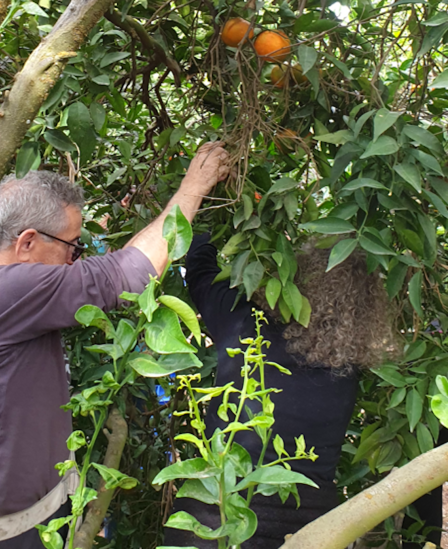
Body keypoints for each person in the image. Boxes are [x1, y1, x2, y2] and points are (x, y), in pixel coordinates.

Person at [0, 141, 230, 549]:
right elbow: (128, 274)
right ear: (26, 243)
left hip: (20, 518)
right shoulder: (5, 291)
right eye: (72, 246)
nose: (74, 260)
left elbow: (113, 269)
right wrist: (194, 186)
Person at [164, 234, 397, 549]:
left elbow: (201, 272)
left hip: (212, 518)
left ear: (291, 278)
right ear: (366, 308)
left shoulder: (245, 325)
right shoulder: (348, 370)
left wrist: (206, 220)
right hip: (308, 530)